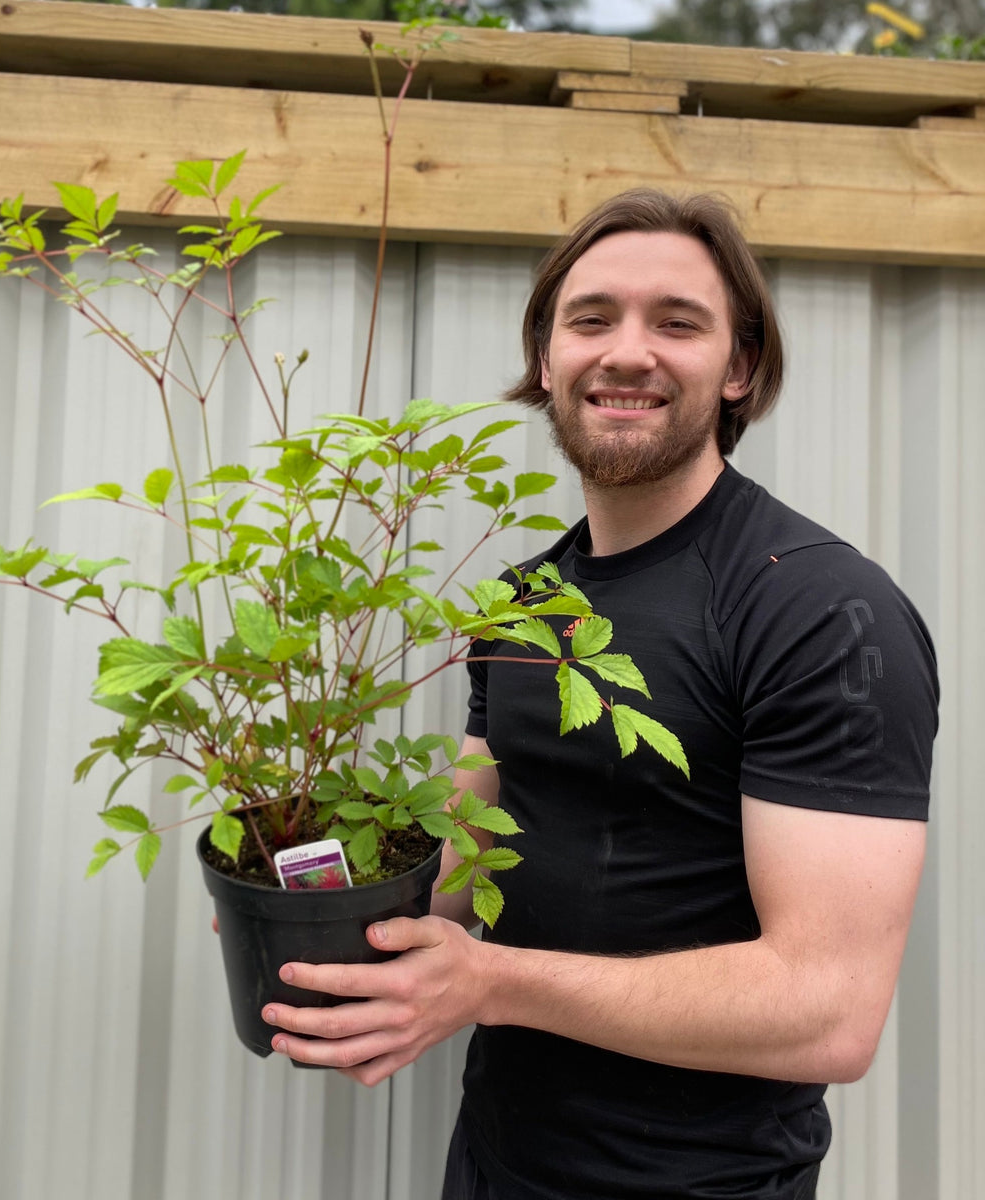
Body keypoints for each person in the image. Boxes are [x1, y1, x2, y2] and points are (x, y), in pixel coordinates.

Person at [260, 189, 939, 1199]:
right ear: (548, 361)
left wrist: (488, 982)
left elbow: (828, 1012)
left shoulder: (818, 609)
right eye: (591, 319)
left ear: (740, 368)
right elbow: (465, 852)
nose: (628, 352)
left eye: (677, 321)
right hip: (495, 1161)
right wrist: (311, 904)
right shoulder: (526, 602)